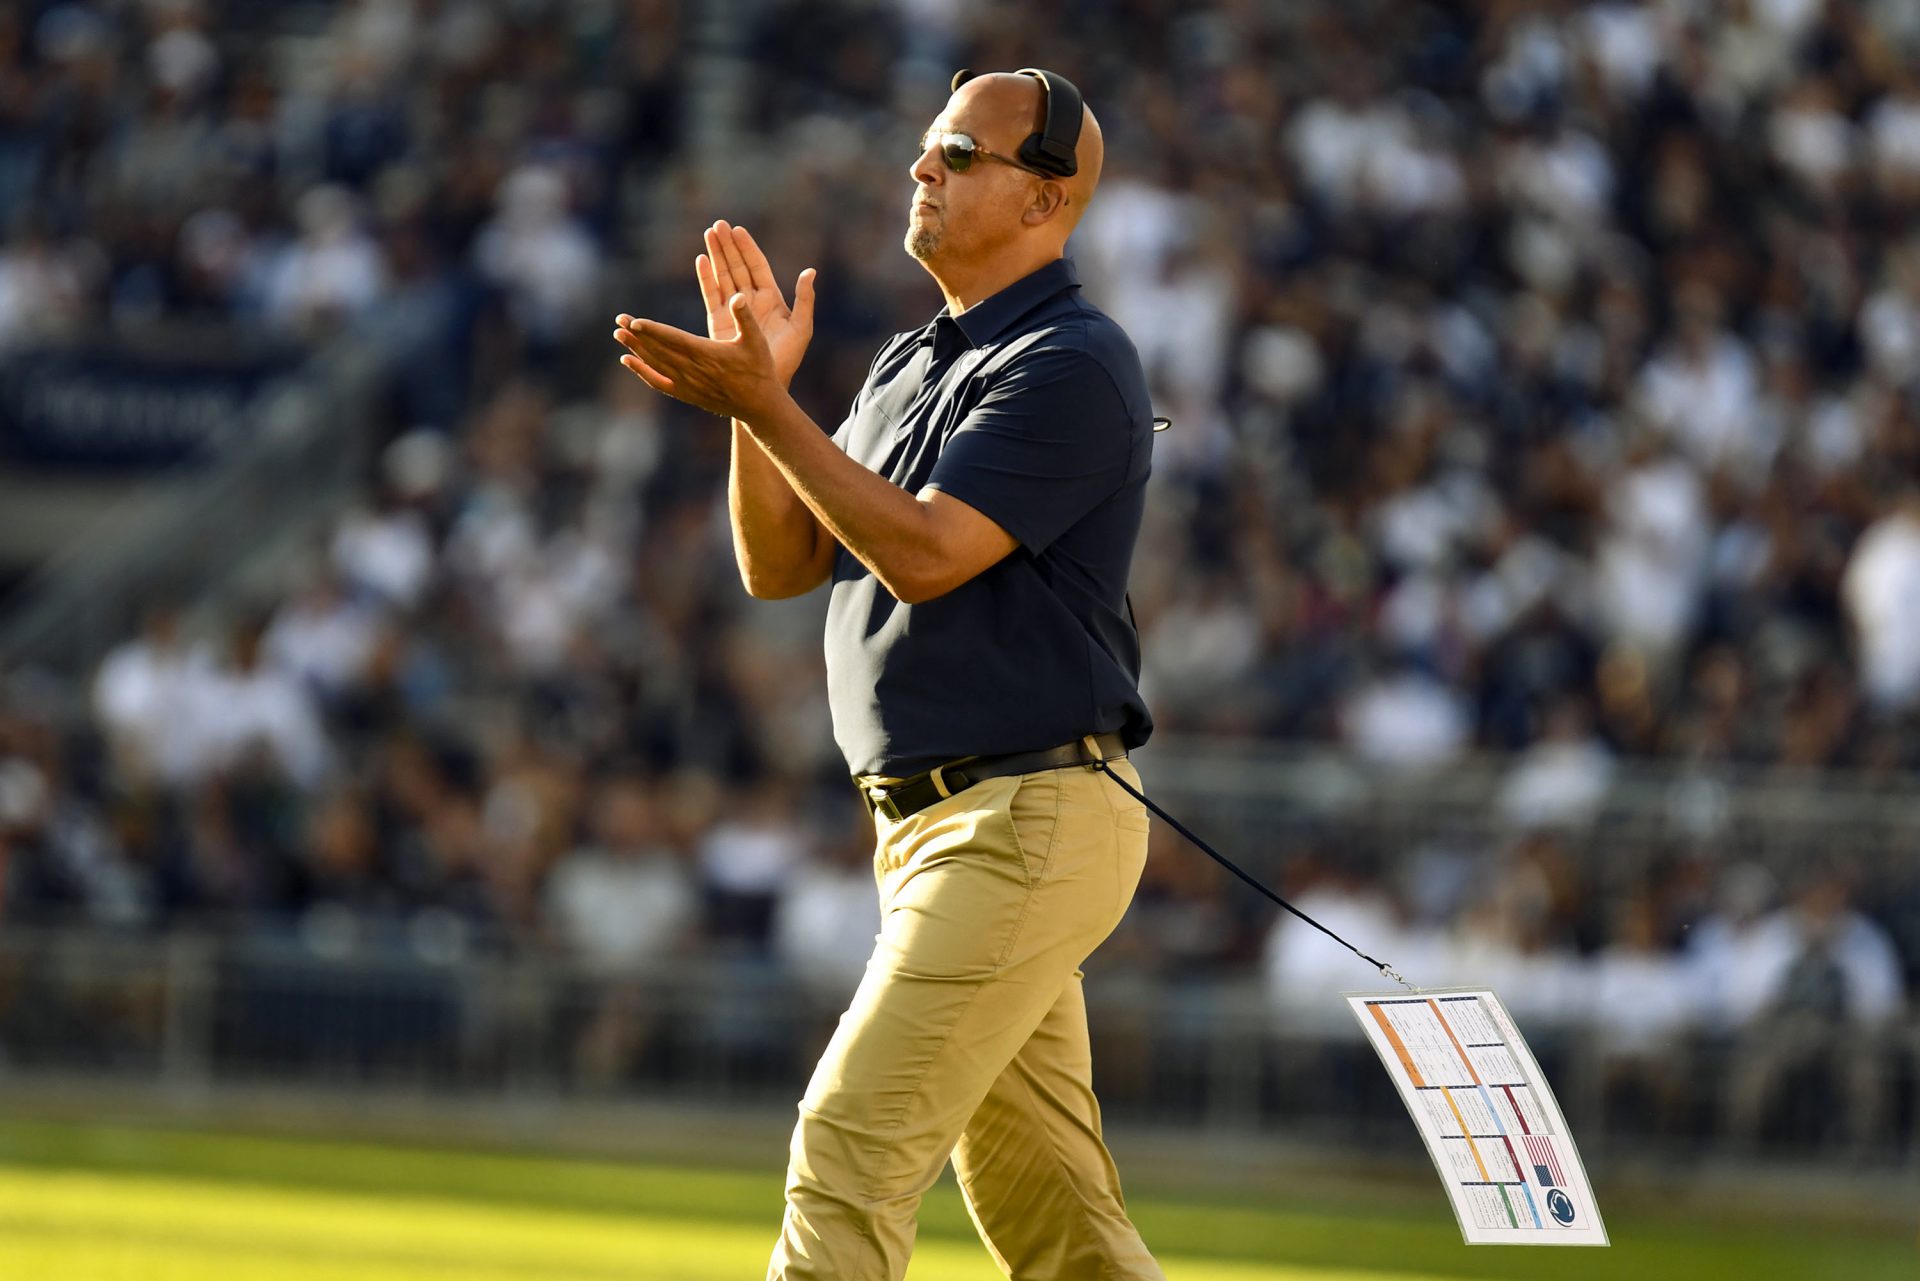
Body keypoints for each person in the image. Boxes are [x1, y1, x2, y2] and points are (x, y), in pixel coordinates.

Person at [614, 68, 1164, 1281]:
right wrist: (761, 404)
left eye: (961, 155)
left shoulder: (1075, 360)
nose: (923, 167)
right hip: (949, 826)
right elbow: (781, 563)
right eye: (929, 148)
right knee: (1055, 1218)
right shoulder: (913, 358)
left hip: (1024, 817)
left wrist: (770, 403)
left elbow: (923, 557)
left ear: (1046, 198)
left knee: (849, 1145)